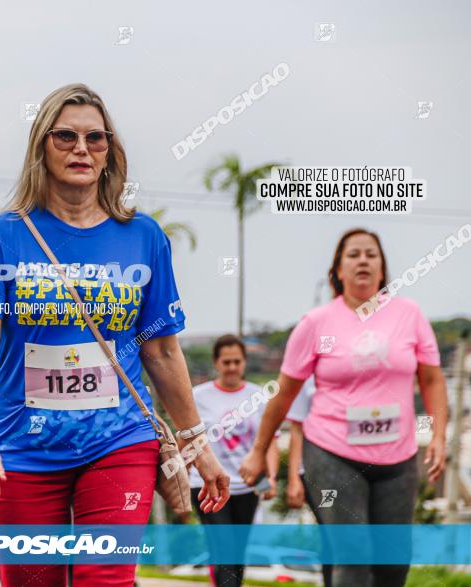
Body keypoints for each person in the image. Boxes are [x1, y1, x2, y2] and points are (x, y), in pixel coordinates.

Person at [0, 83, 230, 587]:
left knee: (106, 578)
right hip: (21, 445)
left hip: (118, 440)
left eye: (95, 138)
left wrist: (197, 444)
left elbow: (163, 349)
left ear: (110, 151)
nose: (81, 148)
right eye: (65, 136)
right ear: (42, 147)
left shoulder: (143, 237)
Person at [240, 228, 448, 587]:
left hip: (398, 458)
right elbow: (285, 392)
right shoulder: (316, 324)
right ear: (337, 270)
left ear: (383, 270)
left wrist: (440, 435)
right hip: (334, 452)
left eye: (371, 254)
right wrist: (259, 450)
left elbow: (431, 380)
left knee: (393, 563)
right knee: (352, 554)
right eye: (353, 255)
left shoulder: (408, 314)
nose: (363, 260)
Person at [188, 334, 279, 587]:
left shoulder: (259, 396)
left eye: (236, 361)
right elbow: (187, 441)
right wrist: (180, 485)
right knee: (224, 547)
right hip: (208, 485)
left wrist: (269, 478)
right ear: (216, 363)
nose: (231, 367)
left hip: (247, 485)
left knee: (237, 552)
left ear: (244, 363)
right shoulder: (198, 396)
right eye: (226, 362)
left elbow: (269, 441)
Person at [284, 376, 332, 587]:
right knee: (332, 535)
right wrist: (294, 478)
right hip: (318, 474)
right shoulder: (308, 378)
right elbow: (296, 429)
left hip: (358, 468)